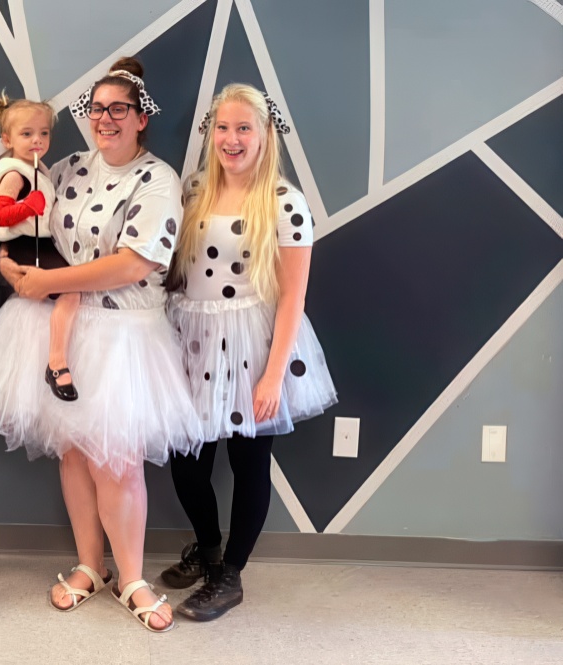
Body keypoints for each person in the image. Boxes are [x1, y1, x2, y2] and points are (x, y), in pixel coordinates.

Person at [0, 57, 201, 633]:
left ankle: (134, 577)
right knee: (73, 451)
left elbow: (135, 262)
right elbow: (24, 223)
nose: (105, 119)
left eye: (119, 109)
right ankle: (91, 566)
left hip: (123, 337)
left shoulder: (158, 180)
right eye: (96, 109)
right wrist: (6, 257)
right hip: (60, 331)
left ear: (141, 118)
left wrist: (49, 282)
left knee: (116, 461)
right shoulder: (65, 165)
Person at [161, 83, 337, 622]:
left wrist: (272, 376)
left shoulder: (284, 202)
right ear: (210, 132)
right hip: (191, 335)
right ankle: (209, 549)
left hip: (253, 343)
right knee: (186, 459)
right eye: (223, 127)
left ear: (264, 135)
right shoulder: (192, 190)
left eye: (244, 128)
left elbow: (293, 297)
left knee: (248, 459)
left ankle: (231, 574)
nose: (231, 139)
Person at [0, 92, 81, 401]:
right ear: (6, 139)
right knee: (71, 290)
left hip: (40, 242)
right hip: (25, 245)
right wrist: (29, 205)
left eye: (43, 133)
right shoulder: (14, 173)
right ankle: (56, 362)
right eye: (27, 134)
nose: (37, 140)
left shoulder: (38, 168)